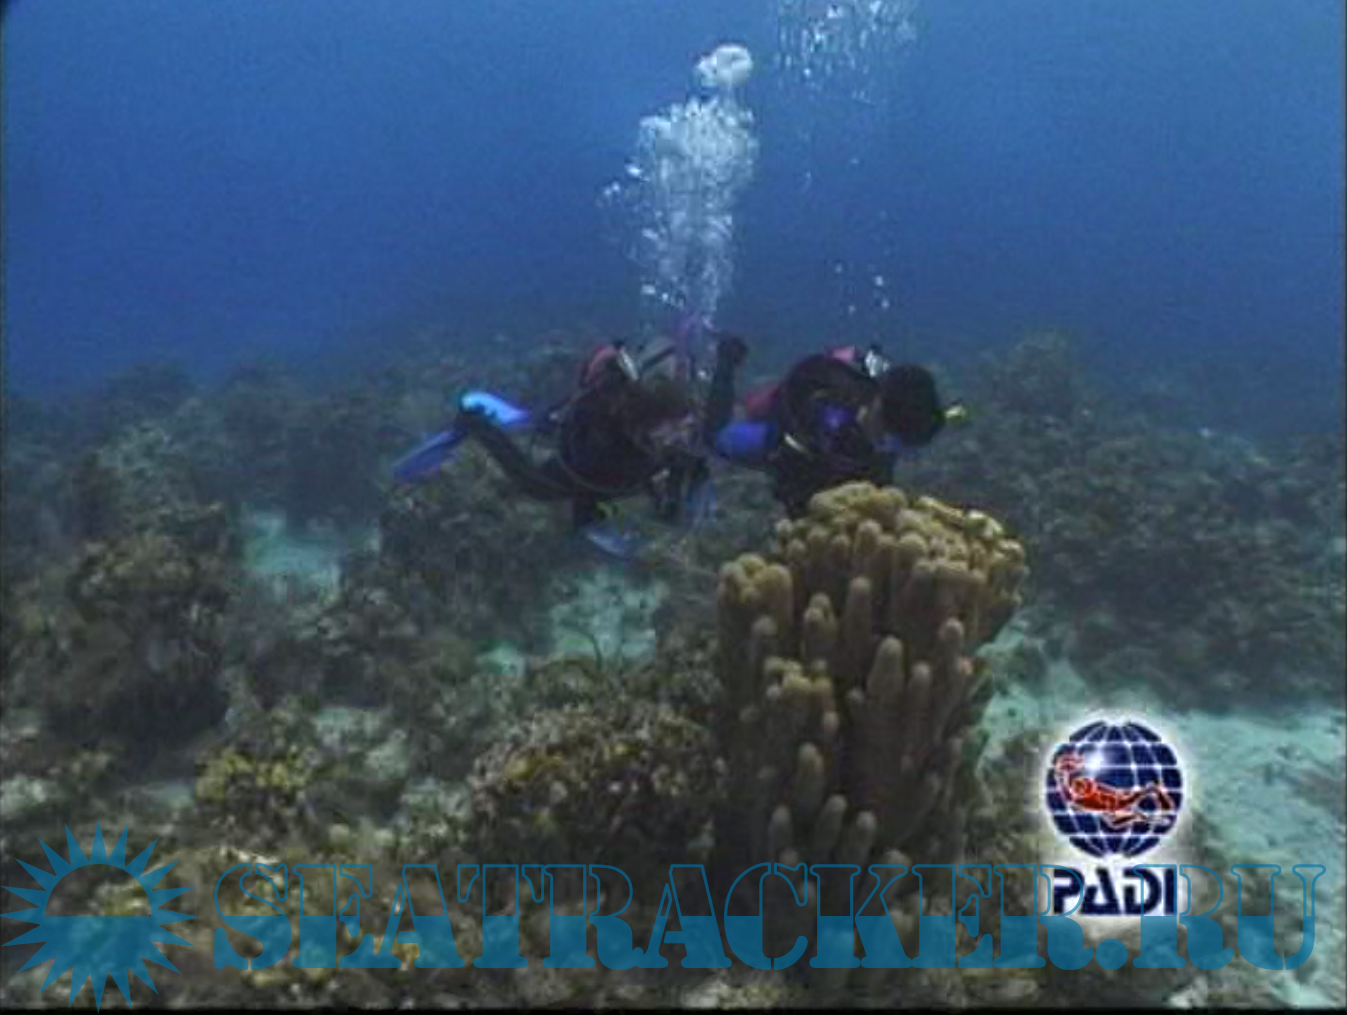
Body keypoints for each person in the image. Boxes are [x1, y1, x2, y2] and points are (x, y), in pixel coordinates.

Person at [392, 336, 711, 557]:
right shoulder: (608, 440)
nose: (678, 438)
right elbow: (587, 482)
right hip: (577, 447)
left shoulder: (670, 440)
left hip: (610, 459)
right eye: (673, 430)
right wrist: (590, 520)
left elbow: (693, 466)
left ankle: (525, 418)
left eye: (684, 429)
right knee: (539, 487)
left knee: (652, 462)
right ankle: (475, 421)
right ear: (647, 424)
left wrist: (675, 503)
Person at [706, 341, 968, 516]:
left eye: (900, 447)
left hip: (827, 457)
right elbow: (794, 452)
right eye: (888, 439)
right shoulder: (828, 410)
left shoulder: (896, 423)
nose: (888, 448)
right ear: (877, 409)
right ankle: (725, 363)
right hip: (780, 434)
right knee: (715, 439)